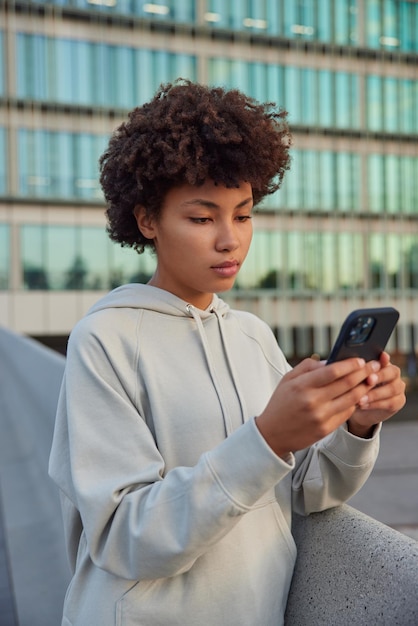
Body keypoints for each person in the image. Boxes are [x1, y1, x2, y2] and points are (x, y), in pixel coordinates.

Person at [49, 79, 405, 626]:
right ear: (147, 220)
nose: (229, 239)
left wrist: (356, 425)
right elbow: (126, 538)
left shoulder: (253, 336)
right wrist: (267, 438)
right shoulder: (104, 340)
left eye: (242, 214)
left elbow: (310, 491)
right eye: (201, 217)